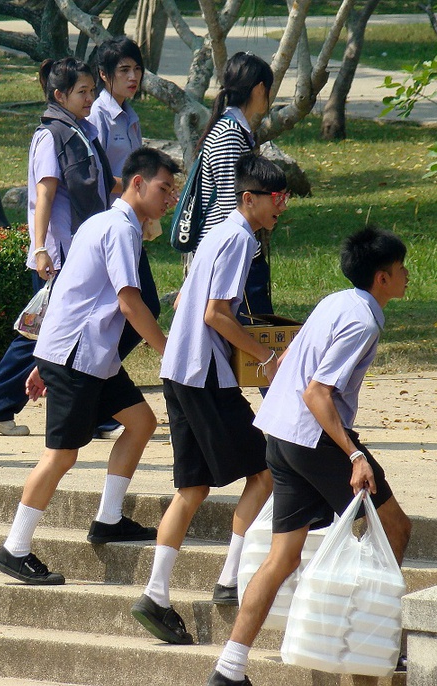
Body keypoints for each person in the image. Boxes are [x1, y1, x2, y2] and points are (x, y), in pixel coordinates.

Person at [206, 226, 413, 686]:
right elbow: (317, 393)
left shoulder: (336, 300)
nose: (406, 277)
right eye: (401, 270)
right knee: (393, 528)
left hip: (279, 437)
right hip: (313, 438)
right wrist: (355, 454)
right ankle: (370, 645)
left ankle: (229, 669)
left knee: (283, 556)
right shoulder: (362, 320)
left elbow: (292, 368)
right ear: (382, 278)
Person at [0, 147, 177, 585]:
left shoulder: (106, 223)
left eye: (171, 189)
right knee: (61, 455)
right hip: (78, 356)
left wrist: (44, 359)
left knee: (141, 422)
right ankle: (14, 548)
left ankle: (110, 519)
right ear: (137, 183)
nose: (169, 197)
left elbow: (68, 291)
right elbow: (130, 302)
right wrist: (169, 351)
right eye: (163, 187)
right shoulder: (118, 230)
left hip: (88, 356)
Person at [131, 153, 287, 644]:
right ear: (249, 199)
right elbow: (215, 314)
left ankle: (156, 595)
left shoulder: (218, 231)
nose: (280, 207)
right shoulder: (240, 238)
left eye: (283, 199)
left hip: (179, 371)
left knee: (192, 487)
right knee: (266, 469)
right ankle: (230, 580)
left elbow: (184, 300)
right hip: (203, 376)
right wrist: (266, 355)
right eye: (274, 199)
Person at [0, 57, 112, 437]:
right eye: (82, 92)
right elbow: (45, 193)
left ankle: (93, 411)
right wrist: (41, 248)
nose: (89, 98)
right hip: (59, 253)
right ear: (59, 95)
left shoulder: (80, 130)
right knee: (44, 334)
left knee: (63, 331)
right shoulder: (52, 135)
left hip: (76, 249)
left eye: (91, 91)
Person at [88, 36, 161, 439]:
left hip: (131, 226)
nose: (133, 78)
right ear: (104, 75)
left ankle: (98, 398)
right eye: (124, 71)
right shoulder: (98, 115)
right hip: (110, 228)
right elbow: (97, 177)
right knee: (138, 307)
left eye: (137, 70)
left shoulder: (130, 115)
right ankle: (98, 401)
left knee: (140, 308)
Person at [195, 52, 274, 321]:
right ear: (260, 88)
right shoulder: (229, 133)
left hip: (237, 249)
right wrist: (252, 249)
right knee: (252, 331)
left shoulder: (236, 130)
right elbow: (233, 202)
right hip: (233, 252)